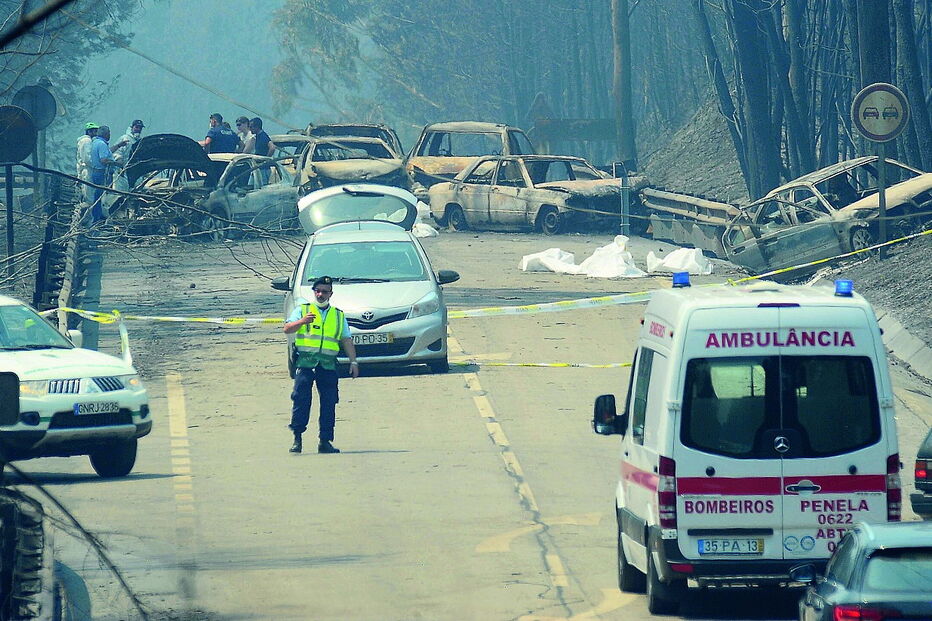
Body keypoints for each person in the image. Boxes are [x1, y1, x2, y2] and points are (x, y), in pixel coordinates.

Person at [282, 276, 359, 454]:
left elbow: (346, 339)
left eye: (325, 291)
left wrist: (353, 362)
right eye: (318, 291)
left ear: (331, 294)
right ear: (314, 292)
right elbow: (287, 329)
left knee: (329, 402)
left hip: (328, 365)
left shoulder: (338, 315)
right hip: (306, 363)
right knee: (301, 399)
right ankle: (297, 439)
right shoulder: (303, 310)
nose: (321, 294)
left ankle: (325, 441)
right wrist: (302, 322)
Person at [88, 125, 117, 222]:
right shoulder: (102, 144)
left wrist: (118, 145)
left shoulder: (95, 142)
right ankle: (98, 219)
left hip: (95, 172)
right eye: (109, 133)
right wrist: (116, 163)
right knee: (101, 197)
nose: (110, 135)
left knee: (97, 196)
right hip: (102, 173)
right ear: (105, 134)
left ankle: (97, 217)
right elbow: (104, 160)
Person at [76, 123, 98, 202]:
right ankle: (87, 212)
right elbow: (87, 158)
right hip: (87, 170)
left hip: (88, 169)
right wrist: (97, 165)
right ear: (89, 132)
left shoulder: (88, 141)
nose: (96, 133)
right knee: (89, 195)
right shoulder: (86, 141)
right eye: (95, 131)